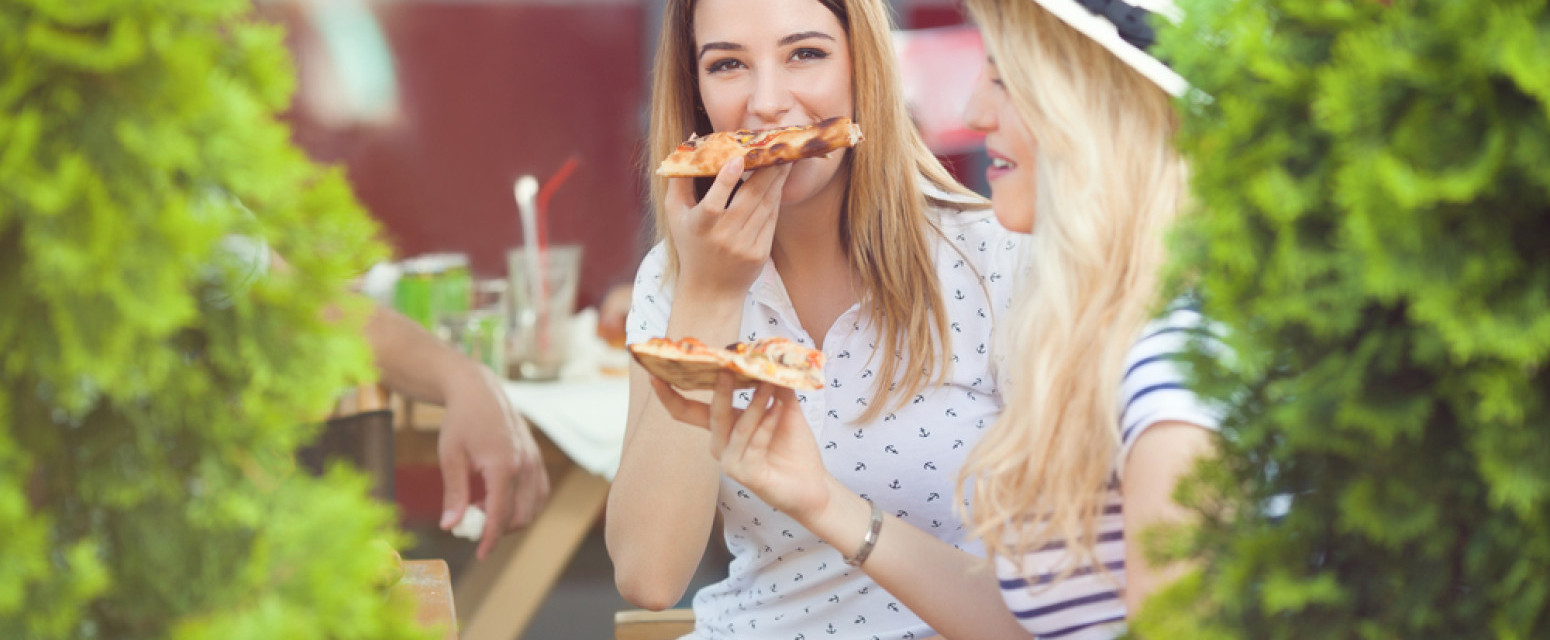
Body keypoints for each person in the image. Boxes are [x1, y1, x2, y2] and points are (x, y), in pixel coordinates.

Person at [605, 0, 1025, 637]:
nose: (768, 103)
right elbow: (648, 577)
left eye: (806, 53)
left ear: (865, 70)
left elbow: (1059, 605)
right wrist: (709, 298)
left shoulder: (995, 256)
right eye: (727, 65)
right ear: (697, 97)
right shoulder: (674, 277)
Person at [952, 0, 1221, 636]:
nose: (973, 112)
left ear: (1090, 104)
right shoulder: (1134, 337)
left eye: (1003, 79)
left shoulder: (1170, 374)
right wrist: (822, 503)